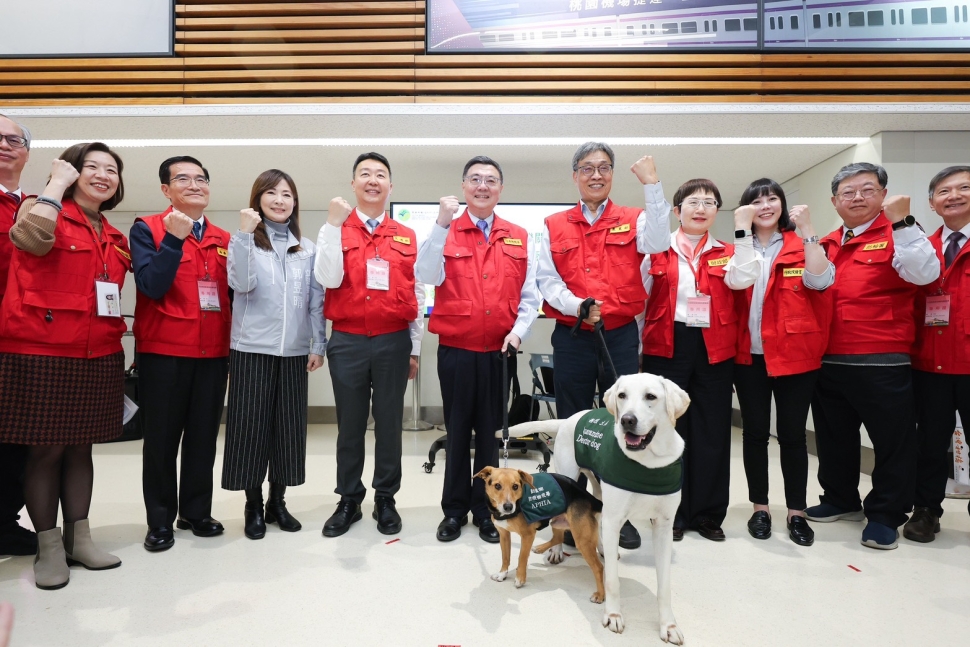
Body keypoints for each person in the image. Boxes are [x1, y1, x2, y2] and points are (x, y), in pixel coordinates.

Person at [0, 143, 130, 589]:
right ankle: (49, 548)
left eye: (111, 169)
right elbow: (30, 241)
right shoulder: (42, 208)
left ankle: (80, 538)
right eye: (91, 166)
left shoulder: (114, 236)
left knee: (80, 448)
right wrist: (55, 184)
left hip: (98, 352)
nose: (102, 175)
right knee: (46, 449)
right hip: (42, 349)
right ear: (72, 173)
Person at [806, 162, 939, 550]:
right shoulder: (827, 242)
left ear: (883, 195)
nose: (857, 198)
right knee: (834, 438)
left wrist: (903, 223)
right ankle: (840, 499)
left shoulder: (901, 233)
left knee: (892, 442)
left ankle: (885, 514)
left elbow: (924, 274)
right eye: (848, 192)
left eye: (867, 189)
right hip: (828, 358)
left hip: (882, 358)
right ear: (835, 201)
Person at [416, 156, 540, 543]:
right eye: (475, 179)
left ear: (500, 189)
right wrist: (440, 224)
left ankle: (486, 512)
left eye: (490, 180)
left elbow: (530, 296)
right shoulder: (445, 231)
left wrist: (518, 334)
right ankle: (454, 512)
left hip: (499, 353)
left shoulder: (518, 235)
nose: (482, 186)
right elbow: (425, 274)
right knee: (456, 434)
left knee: (489, 435)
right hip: (456, 350)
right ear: (464, 187)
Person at [633, 155, 757, 541]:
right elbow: (640, 304)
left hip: (714, 347)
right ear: (677, 211)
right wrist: (637, 352)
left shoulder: (728, 252)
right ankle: (669, 513)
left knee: (711, 430)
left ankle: (706, 514)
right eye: (693, 202)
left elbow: (744, 279)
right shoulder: (656, 250)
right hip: (666, 345)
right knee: (666, 431)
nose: (701, 209)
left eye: (709, 203)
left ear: (717, 211)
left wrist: (743, 233)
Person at [536, 141, 651, 549]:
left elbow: (657, 244)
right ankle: (571, 513)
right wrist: (578, 306)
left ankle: (621, 514)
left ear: (612, 175)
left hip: (618, 336)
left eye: (604, 167)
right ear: (575, 176)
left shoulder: (634, 219)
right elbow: (547, 279)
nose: (596, 175)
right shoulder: (553, 224)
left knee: (624, 423)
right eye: (587, 168)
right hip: (573, 336)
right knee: (572, 425)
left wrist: (652, 187)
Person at [314, 152, 424, 537]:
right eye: (365, 174)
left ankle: (385, 498)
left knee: (390, 424)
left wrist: (414, 348)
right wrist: (332, 225)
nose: (372, 180)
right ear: (353, 184)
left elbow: (417, 291)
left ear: (390, 186)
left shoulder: (406, 235)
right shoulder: (335, 229)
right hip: (348, 340)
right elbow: (327, 279)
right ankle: (349, 499)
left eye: (380, 175)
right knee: (350, 425)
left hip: (393, 339)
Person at [131, 156, 232, 552]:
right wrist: (173, 239)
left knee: (204, 438)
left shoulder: (224, 238)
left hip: (213, 353)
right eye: (183, 179)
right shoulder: (147, 229)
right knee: (161, 441)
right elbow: (151, 285)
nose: (195, 185)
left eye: (201, 179)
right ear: (166, 190)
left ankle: (195, 512)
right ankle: (159, 521)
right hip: (164, 352)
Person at [727, 179, 834, 547]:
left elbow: (820, 281)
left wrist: (808, 230)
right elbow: (735, 284)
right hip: (749, 356)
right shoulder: (736, 247)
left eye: (772, 198)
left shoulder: (801, 243)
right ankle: (760, 508)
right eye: (756, 201)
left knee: (792, 435)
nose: (765, 206)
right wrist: (741, 231)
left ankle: (796, 512)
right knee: (754, 433)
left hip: (795, 356)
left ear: (783, 205)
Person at [221, 170, 326, 539]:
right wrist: (244, 235)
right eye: (271, 193)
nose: (280, 200)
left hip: (294, 352)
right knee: (250, 429)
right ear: (258, 199)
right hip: (251, 348)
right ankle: (252, 504)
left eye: (287, 194)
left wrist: (318, 344)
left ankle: (276, 502)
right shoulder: (244, 241)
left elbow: (315, 302)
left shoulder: (306, 248)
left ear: (295, 202)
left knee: (288, 430)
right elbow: (241, 283)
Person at [905, 166, 970, 543]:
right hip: (929, 364)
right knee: (929, 444)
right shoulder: (920, 248)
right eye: (944, 191)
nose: (954, 196)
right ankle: (926, 510)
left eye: (964, 188)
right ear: (932, 203)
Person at [0, 114, 36, 557]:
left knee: (16, 438)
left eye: (14, 140)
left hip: (24, 340)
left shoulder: (36, 205)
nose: (5, 145)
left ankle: (5, 523)